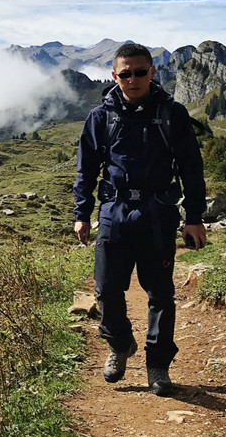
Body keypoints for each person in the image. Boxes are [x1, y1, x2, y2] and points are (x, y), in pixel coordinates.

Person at [73, 42, 207, 396]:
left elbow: (192, 169)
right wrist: (81, 215)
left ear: (152, 72)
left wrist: (194, 217)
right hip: (114, 214)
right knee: (106, 288)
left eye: (140, 72)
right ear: (114, 76)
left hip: (157, 215)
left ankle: (157, 366)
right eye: (125, 74)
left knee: (160, 292)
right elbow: (86, 171)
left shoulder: (172, 114)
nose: (133, 79)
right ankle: (120, 344)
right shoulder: (100, 117)